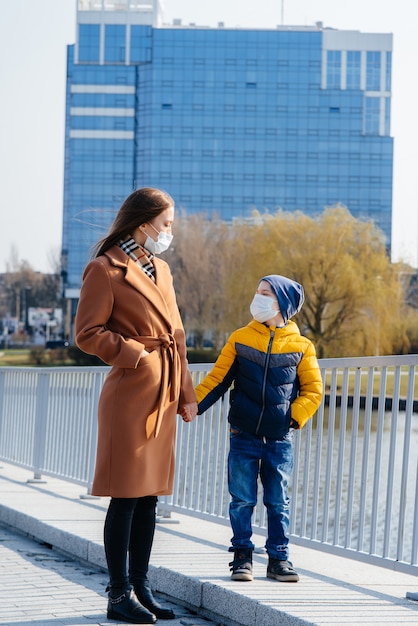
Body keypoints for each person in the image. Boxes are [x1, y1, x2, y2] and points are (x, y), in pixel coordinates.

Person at [75, 187, 198, 624]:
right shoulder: (104, 269)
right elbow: (87, 333)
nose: (170, 232)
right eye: (166, 224)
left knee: (149, 498)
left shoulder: (161, 269)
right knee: (125, 497)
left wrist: (186, 395)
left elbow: (178, 338)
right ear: (143, 223)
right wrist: (134, 354)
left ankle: (141, 585)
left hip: (163, 394)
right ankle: (117, 593)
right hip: (130, 394)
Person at [193, 275, 322, 583]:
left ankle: (279, 558)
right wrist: (191, 405)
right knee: (241, 499)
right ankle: (241, 556)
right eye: (258, 292)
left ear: (283, 304)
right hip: (243, 435)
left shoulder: (302, 346)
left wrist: (291, 418)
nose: (258, 298)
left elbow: (314, 391)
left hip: (279, 439)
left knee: (278, 500)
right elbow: (217, 380)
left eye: (266, 294)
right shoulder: (240, 338)